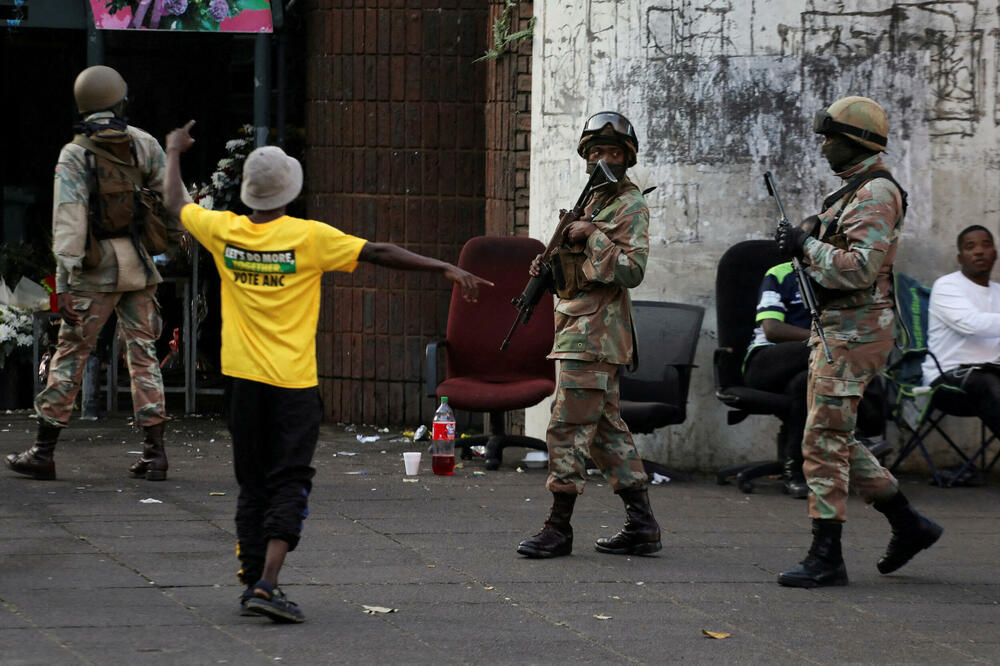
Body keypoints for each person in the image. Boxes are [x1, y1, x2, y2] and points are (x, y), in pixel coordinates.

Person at [162, 120, 491, 624]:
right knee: (291, 480)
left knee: (253, 485)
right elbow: (378, 252)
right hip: (293, 387)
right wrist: (444, 267)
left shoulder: (222, 230)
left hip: (242, 384)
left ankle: (253, 581)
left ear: (248, 192)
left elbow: (176, 205)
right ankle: (268, 584)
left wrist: (173, 152)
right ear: (290, 191)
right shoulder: (308, 237)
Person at [775, 95, 941, 588]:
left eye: (830, 137)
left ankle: (827, 555)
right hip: (840, 328)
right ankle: (909, 524)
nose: (823, 146)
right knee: (834, 436)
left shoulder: (873, 193)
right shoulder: (852, 192)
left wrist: (805, 244)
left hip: (855, 329)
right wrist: (806, 238)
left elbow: (861, 268)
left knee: (821, 439)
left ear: (855, 141)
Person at [5, 65, 181, 482]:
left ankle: (43, 452)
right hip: (139, 268)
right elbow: (174, 198)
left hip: (92, 271)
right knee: (144, 357)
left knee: (71, 355)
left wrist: (63, 284)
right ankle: (155, 454)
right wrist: (172, 246)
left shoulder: (75, 153)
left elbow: (69, 222)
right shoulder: (143, 143)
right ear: (121, 99)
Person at [516, 111, 661, 559]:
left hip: (596, 333)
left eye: (613, 152)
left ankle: (558, 528)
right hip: (578, 327)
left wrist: (593, 235)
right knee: (604, 432)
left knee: (567, 426)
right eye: (596, 151)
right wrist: (550, 264)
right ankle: (642, 525)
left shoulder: (628, 206)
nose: (603, 159)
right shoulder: (593, 204)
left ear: (627, 158)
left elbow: (631, 270)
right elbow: (575, 275)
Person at [922, 225, 1000, 443]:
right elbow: (972, 324)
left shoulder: (998, 292)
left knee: (990, 381)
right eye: (970, 246)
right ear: (960, 257)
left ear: (995, 253)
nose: (979, 251)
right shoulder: (947, 286)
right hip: (947, 380)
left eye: (986, 245)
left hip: (991, 375)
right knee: (987, 383)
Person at [743, 261, 812, 498]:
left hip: (807, 371)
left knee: (804, 384)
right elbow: (772, 329)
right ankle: (861, 433)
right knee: (823, 350)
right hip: (766, 363)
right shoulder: (781, 274)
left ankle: (794, 471)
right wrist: (822, 339)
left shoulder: (837, 278)